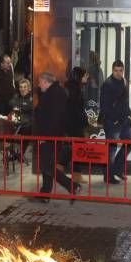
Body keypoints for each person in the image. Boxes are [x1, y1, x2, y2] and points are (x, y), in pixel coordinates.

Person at [34, 72, 81, 202]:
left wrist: (44, 136)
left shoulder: (50, 95)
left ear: (45, 82)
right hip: (56, 136)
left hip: (48, 136)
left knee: (46, 166)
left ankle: (71, 185)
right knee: (48, 164)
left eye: (40, 82)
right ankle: (45, 194)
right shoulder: (59, 92)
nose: (38, 85)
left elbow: (49, 118)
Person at [100, 60, 131, 184]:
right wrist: (113, 119)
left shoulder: (124, 81)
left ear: (123, 70)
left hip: (124, 120)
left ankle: (116, 169)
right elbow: (104, 106)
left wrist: (128, 115)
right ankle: (108, 176)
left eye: (121, 70)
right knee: (111, 149)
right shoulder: (107, 84)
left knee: (130, 142)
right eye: (116, 70)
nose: (119, 73)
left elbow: (124, 101)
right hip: (112, 121)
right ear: (112, 70)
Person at [65, 67, 90, 183]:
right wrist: (84, 120)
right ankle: (76, 174)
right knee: (78, 149)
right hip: (74, 124)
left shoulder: (72, 88)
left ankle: (61, 167)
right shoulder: (75, 90)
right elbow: (76, 110)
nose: (87, 77)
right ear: (79, 77)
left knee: (72, 148)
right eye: (85, 76)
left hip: (71, 123)